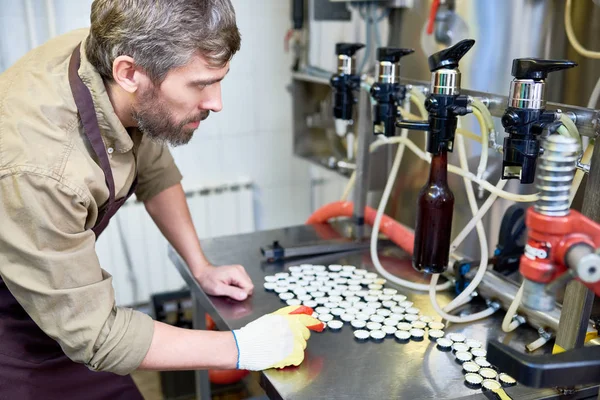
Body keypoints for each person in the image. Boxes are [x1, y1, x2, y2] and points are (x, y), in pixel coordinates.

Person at [0, 1, 322, 398]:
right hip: (11, 319)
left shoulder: (110, 65)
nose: (216, 102)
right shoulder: (43, 170)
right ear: (129, 73)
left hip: (58, 293)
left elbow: (152, 166)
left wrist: (200, 265)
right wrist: (244, 348)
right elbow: (98, 336)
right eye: (201, 83)